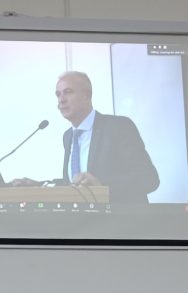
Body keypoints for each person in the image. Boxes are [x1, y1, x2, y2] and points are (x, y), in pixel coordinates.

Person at [54, 71, 159, 204]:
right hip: (83, 216)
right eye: (58, 94)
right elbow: (74, 183)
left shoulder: (118, 127)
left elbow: (149, 178)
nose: (61, 99)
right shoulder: (68, 136)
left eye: (68, 92)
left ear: (87, 95)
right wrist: (39, 185)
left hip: (121, 216)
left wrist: (102, 186)